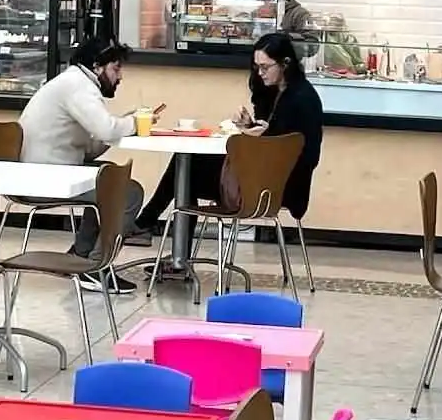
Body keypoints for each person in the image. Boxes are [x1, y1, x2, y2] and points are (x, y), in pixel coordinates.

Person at [134, 32, 323, 258]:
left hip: (275, 186)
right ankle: (167, 246)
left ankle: (152, 232)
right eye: (257, 67)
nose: (260, 73)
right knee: (186, 168)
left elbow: (300, 151)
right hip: (261, 178)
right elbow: (275, 134)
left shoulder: (302, 100)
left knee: (185, 171)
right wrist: (252, 127)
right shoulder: (276, 92)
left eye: (265, 67)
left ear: (285, 63)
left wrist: (261, 136)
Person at [18, 37, 148, 295]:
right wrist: (133, 122)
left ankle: (81, 254)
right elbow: (105, 129)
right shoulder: (78, 87)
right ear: (97, 66)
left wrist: (120, 127)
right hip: (43, 177)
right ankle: (96, 267)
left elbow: (90, 146)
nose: (120, 76)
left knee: (109, 175)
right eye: (116, 68)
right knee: (129, 192)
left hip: (45, 168)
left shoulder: (72, 82)